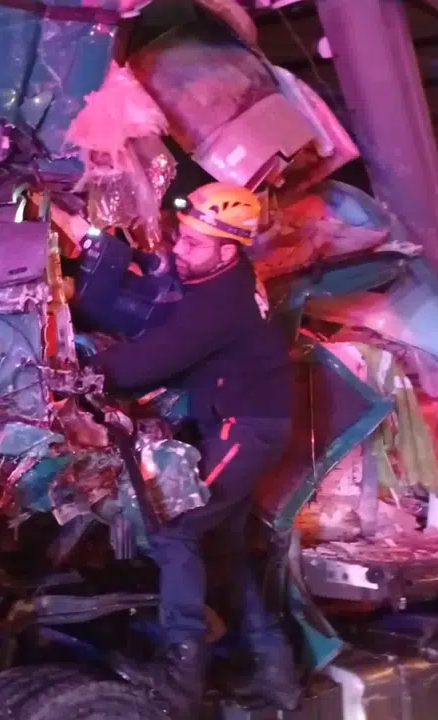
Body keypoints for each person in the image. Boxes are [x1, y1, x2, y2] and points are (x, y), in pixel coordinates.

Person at [87, 181, 299, 715]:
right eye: (180, 237)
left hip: (245, 429)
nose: (179, 250)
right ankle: (276, 674)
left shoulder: (223, 302)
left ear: (227, 252)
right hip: (240, 423)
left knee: (176, 526)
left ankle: (180, 678)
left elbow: (158, 357)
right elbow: (169, 330)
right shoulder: (218, 281)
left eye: (193, 244)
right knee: (223, 543)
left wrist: (84, 369)